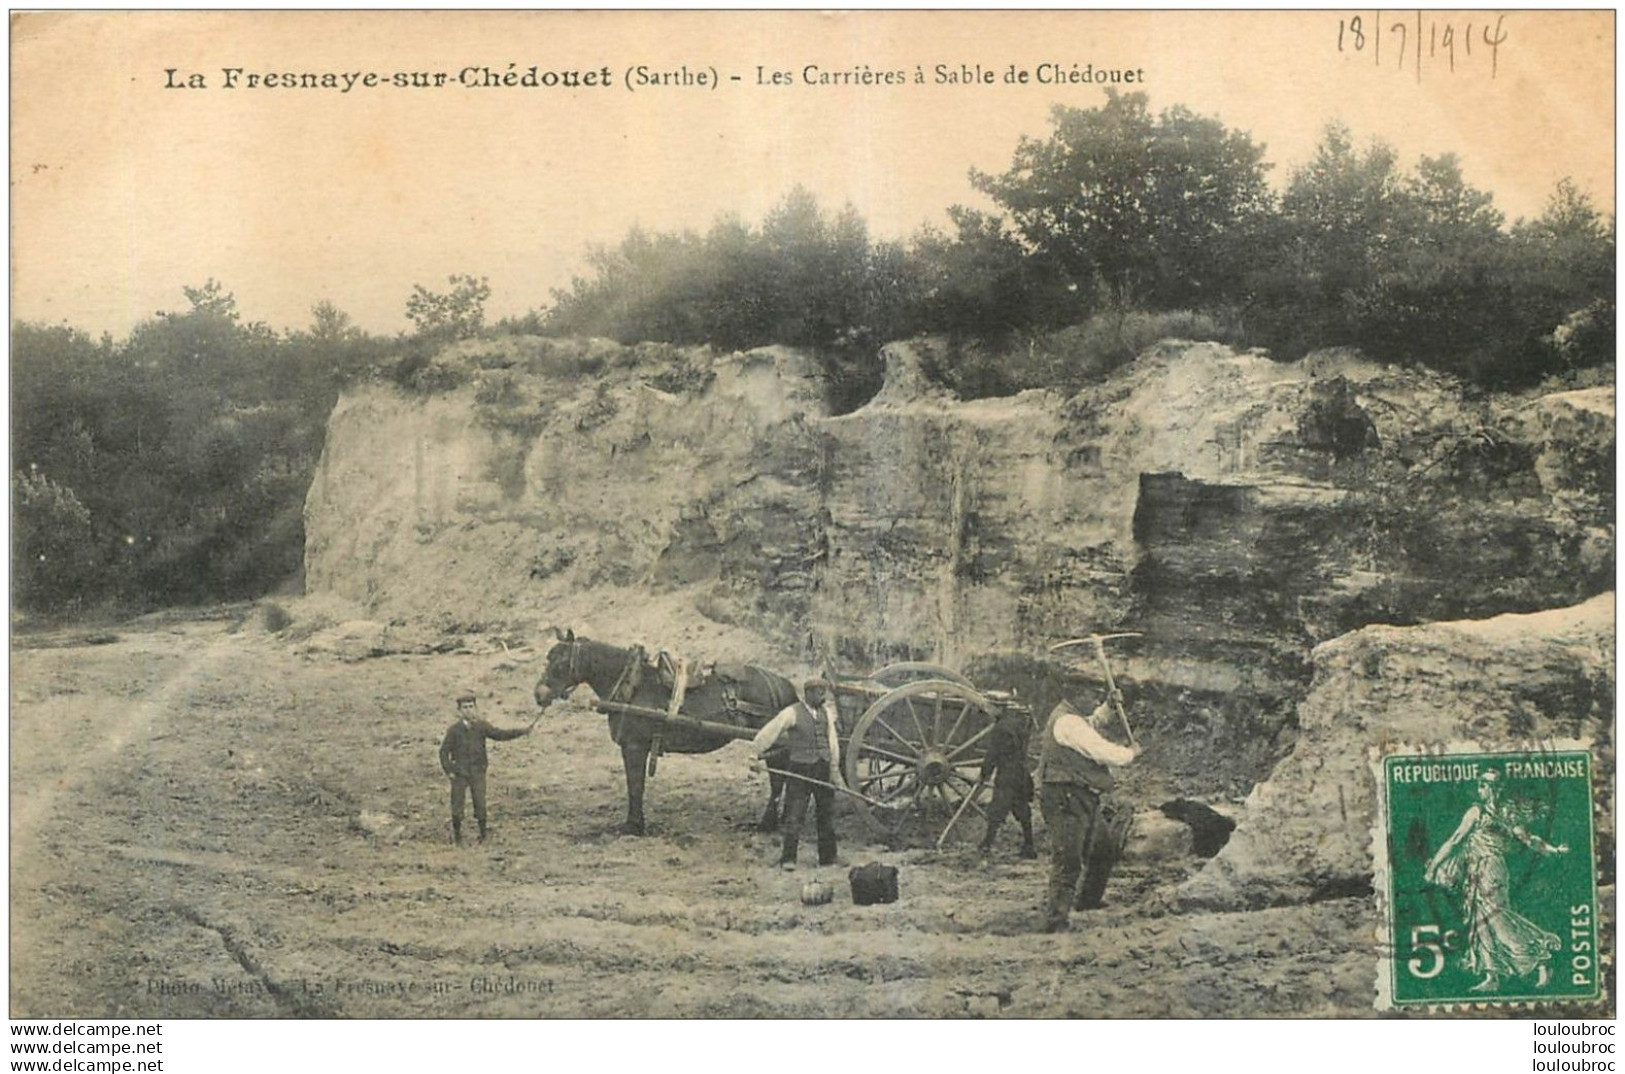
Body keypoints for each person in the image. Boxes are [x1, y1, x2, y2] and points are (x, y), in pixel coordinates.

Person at [1423, 770, 1568, 991]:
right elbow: (1529, 840)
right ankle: (1492, 976)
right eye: (1480, 784)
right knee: (1480, 919)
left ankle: (1540, 955)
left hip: (1490, 869)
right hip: (1477, 870)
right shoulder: (1496, 813)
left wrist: (1433, 867)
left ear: (1495, 789)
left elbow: (1455, 841)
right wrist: (1553, 849)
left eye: (1484, 785)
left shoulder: (1486, 812)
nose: (1480, 788)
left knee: (1497, 918)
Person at [1036, 688, 1140, 932]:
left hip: (1083, 795)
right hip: (1066, 798)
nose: (1093, 699)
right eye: (1090, 695)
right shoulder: (1067, 722)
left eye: (1096, 696)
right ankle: (1056, 920)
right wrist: (1129, 754)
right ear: (1075, 695)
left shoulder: (1074, 717)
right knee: (1069, 860)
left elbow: (1092, 723)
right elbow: (1099, 750)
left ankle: (1088, 901)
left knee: (1104, 849)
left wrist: (1108, 707)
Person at [750, 678, 841, 870]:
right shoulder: (792, 713)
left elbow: (832, 742)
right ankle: (789, 859)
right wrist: (755, 754)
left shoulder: (827, 713)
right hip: (800, 769)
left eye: (823, 692)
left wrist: (834, 769)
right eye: (818, 692)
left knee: (826, 814)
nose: (822, 697)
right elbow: (769, 732)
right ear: (807, 694)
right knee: (794, 815)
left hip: (822, 768)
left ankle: (828, 858)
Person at [438, 692, 538, 845]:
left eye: (471, 706)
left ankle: (483, 835)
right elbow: (444, 752)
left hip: (477, 772)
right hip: (459, 773)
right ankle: (458, 837)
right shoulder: (454, 730)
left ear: (476, 708)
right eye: (465, 707)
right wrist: (450, 771)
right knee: (457, 806)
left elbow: (500, 734)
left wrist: (521, 731)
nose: (468, 710)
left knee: (480, 804)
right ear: (459, 711)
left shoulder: (481, 726)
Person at [977, 705, 1037, 859]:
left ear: (1000, 711)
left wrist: (985, 773)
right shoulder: (1018, 724)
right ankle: (1029, 845)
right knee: (1022, 809)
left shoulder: (1000, 729)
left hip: (1007, 775)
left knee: (997, 809)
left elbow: (992, 754)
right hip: (1022, 773)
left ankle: (986, 844)